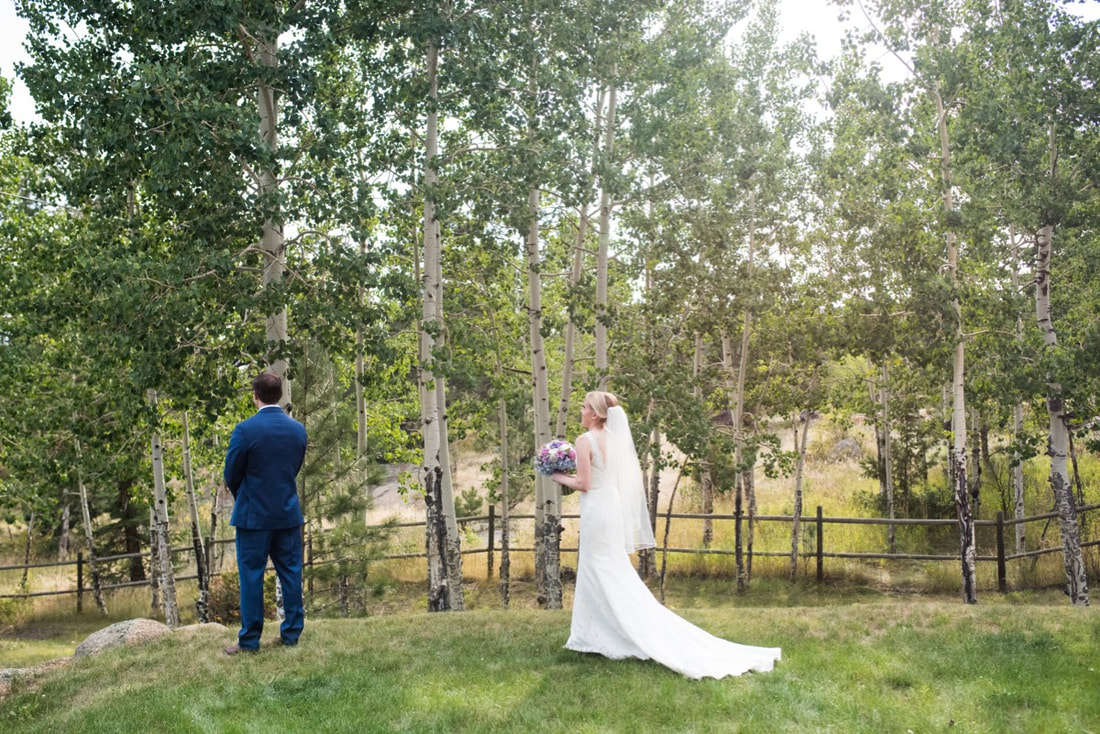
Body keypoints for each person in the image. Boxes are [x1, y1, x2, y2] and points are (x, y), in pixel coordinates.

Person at [551, 391, 781, 679]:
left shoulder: (585, 440)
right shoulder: (614, 438)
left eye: (584, 407)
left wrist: (555, 475)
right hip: (610, 506)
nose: (581, 411)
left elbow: (584, 483)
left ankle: (600, 634)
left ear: (595, 414)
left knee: (598, 568)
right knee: (610, 568)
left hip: (597, 508)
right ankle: (599, 633)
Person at [222, 371, 308, 655]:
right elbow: (292, 469)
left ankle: (249, 640)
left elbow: (231, 473)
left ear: (254, 396)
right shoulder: (298, 430)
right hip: (286, 512)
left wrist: (245, 497)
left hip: (253, 516)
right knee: (291, 573)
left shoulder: (245, 430)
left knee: (251, 576)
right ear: (280, 394)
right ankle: (292, 633)